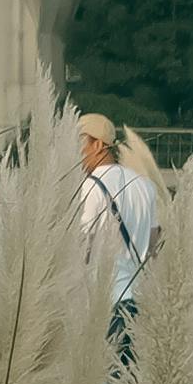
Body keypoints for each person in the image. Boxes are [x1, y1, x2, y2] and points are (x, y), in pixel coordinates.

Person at [75, 113, 161, 325]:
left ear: (97, 145)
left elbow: (81, 250)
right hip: (139, 302)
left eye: (78, 142)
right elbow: (153, 248)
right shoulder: (145, 186)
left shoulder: (89, 187)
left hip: (105, 304)